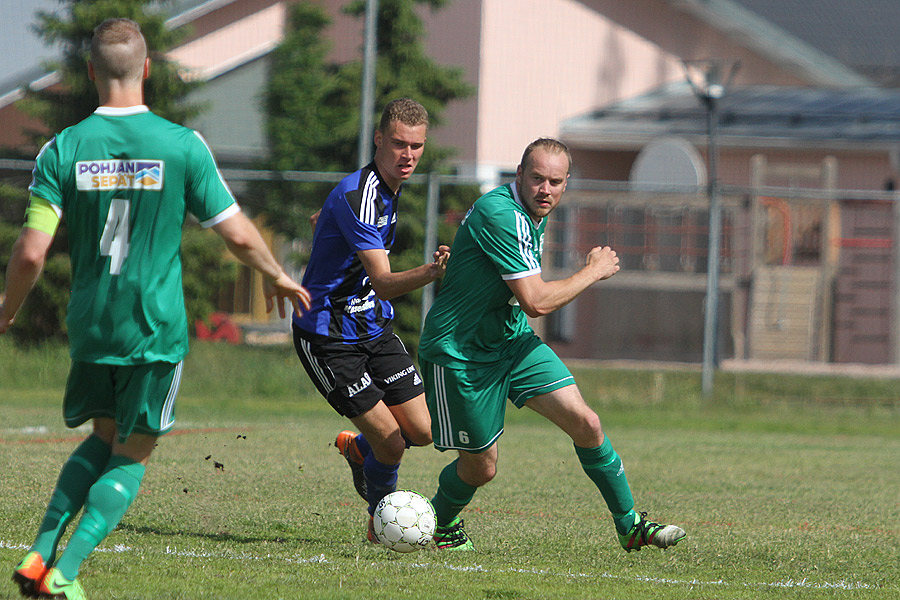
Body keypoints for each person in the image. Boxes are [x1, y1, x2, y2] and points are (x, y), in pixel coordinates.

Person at [2, 18, 311, 599]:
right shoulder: (180, 146)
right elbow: (238, 233)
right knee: (133, 451)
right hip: (153, 326)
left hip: (92, 323)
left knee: (103, 436)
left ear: (92, 71)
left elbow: (31, 252)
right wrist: (276, 274)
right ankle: (64, 575)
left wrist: (7, 309)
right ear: (145, 69)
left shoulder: (62, 148)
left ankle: (38, 552)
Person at [418, 138, 686, 552]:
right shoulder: (502, 214)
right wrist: (593, 271)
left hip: (510, 341)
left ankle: (629, 524)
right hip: (460, 352)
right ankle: (437, 522)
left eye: (556, 182)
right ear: (520, 175)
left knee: (588, 423)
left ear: (565, 185)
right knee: (481, 468)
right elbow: (536, 301)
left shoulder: (529, 212)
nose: (546, 189)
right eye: (538, 178)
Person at [292, 98, 449, 542]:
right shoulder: (360, 195)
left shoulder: (384, 191)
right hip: (327, 335)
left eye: (416, 146)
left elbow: (322, 217)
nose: (409, 155)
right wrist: (431, 272)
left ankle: (359, 452)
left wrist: (325, 228)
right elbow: (382, 282)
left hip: (372, 327)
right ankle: (381, 523)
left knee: (422, 431)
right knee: (393, 441)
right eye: (399, 143)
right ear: (379, 138)